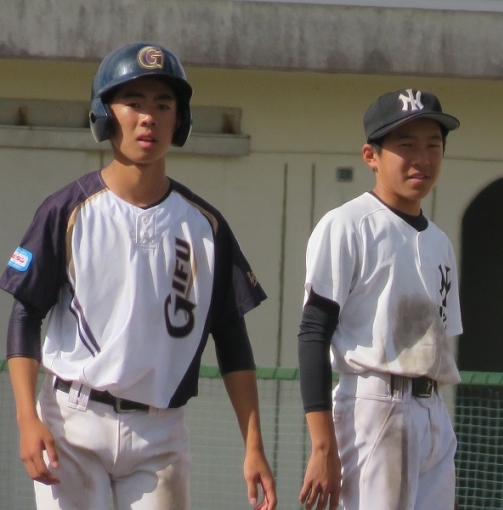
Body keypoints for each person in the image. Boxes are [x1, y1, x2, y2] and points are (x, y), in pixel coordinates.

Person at [1, 41, 277, 510]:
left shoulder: (205, 226)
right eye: (133, 102)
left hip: (160, 431)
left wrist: (253, 446)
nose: (148, 118)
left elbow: (232, 338)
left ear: (180, 120)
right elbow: (25, 315)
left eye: (163, 105)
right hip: (73, 421)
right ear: (103, 114)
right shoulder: (66, 210)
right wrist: (28, 419)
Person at [297, 88, 463, 510]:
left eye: (433, 145)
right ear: (371, 155)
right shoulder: (347, 224)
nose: (422, 158)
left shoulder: (441, 243)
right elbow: (314, 331)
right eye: (406, 145)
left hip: (433, 410)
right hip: (375, 403)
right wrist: (322, 446)